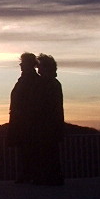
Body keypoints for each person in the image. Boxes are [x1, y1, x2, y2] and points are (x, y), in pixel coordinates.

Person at [7, 52, 41, 183]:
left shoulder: (31, 80)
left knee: (27, 148)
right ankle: (25, 175)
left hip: (26, 122)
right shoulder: (26, 79)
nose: (20, 65)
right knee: (23, 148)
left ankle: (27, 175)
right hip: (21, 120)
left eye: (23, 63)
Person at [35, 54, 65, 185]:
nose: (38, 69)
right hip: (51, 124)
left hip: (47, 124)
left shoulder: (48, 83)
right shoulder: (53, 83)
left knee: (47, 151)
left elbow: (46, 105)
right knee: (49, 151)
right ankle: (52, 177)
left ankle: (51, 177)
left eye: (39, 66)